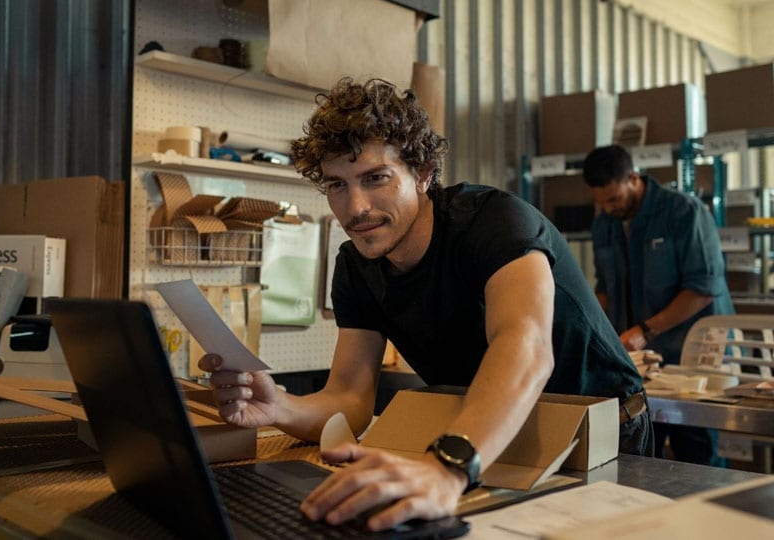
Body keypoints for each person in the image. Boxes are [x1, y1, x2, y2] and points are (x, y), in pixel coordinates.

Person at [199, 79, 650, 532]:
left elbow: (525, 345)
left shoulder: (494, 221)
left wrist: (448, 466)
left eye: (376, 178)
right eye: (338, 185)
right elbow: (350, 399)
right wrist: (280, 408)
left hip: (601, 429)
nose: (357, 208)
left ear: (422, 173)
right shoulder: (357, 266)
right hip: (489, 433)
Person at [582, 145, 734, 467]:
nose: (608, 209)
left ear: (634, 178)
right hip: (640, 367)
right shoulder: (604, 224)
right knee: (645, 457)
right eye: (601, 203)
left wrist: (645, 331)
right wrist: (590, 330)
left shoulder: (685, 213)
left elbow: (703, 289)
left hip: (692, 360)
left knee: (697, 458)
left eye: (614, 200)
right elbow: (606, 289)